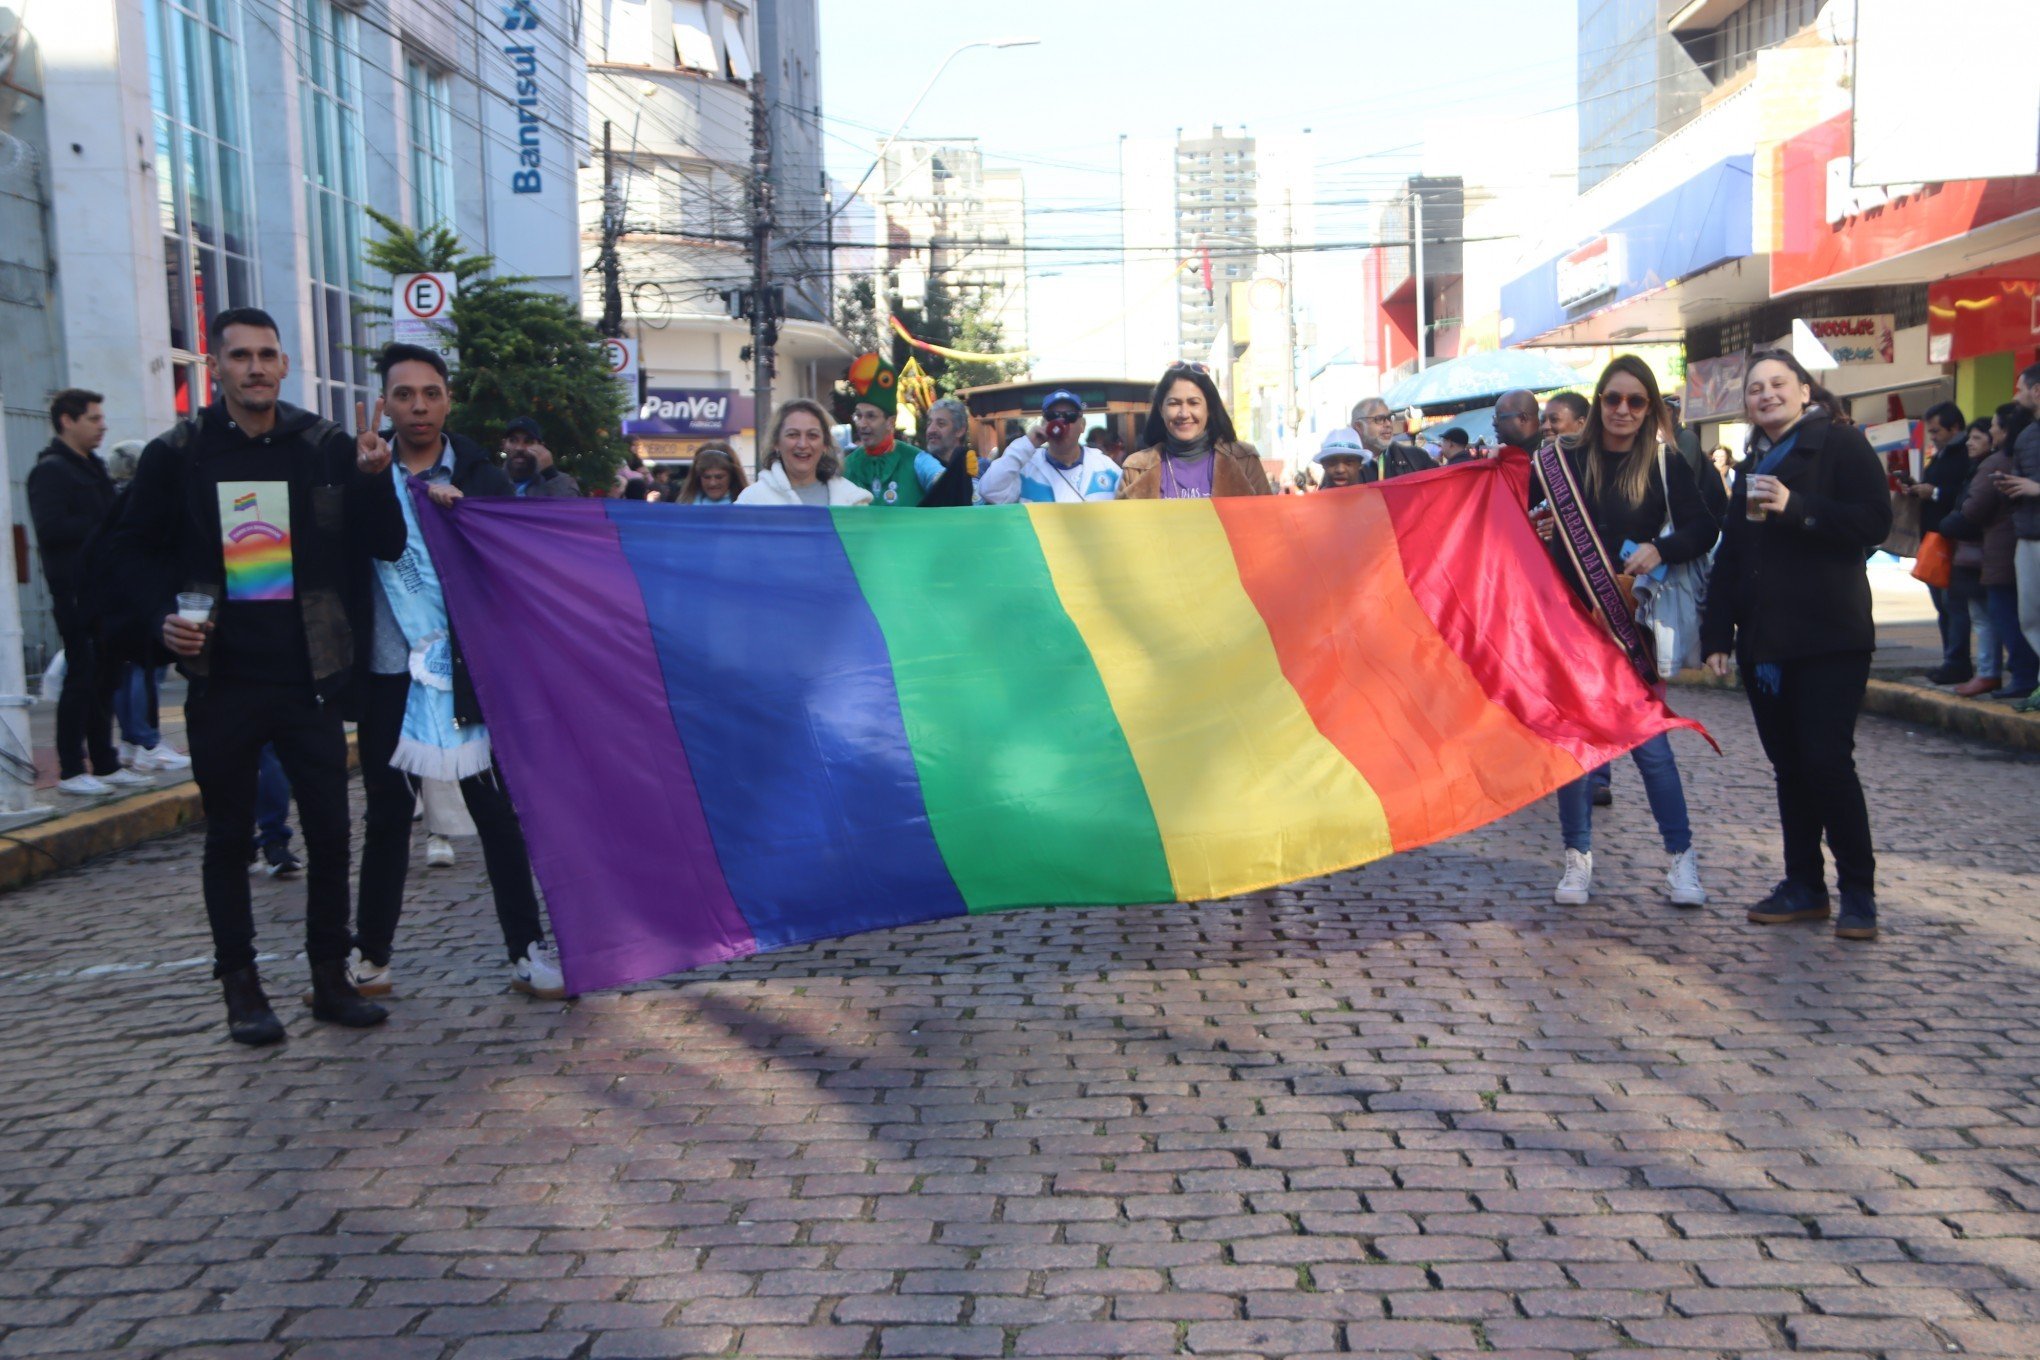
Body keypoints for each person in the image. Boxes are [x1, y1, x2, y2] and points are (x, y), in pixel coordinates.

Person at [113, 307, 404, 1043]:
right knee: (229, 838)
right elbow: (130, 555)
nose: (255, 368)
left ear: (284, 365)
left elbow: (386, 544)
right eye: (239, 355)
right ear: (216, 367)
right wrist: (159, 621)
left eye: (267, 355)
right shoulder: (177, 453)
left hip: (311, 673)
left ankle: (329, 980)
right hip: (222, 676)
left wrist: (376, 479)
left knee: (333, 833)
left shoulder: (327, 445)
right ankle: (240, 988)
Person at [349, 343, 565, 1003]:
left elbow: (513, 565)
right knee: (388, 812)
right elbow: (353, 547)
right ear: (384, 401)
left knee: (494, 810)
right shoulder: (358, 464)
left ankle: (525, 950)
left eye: (431, 393)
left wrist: (462, 515)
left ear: (448, 399)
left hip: (466, 670)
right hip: (388, 668)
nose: (418, 406)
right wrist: (368, 483)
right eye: (404, 394)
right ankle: (370, 958)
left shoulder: (481, 473)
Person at [1702, 349, 1892, 942]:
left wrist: (1798, 507)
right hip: (1767, 642)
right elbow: (1732, 553)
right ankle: (1803, 885)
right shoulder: (1752, 463)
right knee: (1790, 768)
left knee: (1827, 762)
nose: (1766, 395)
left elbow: (1873, 524)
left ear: (1805, 391)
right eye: (1755, 388)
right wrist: (1718, 634)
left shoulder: (1841, 445)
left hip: (1829, 636)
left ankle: (1857, 892)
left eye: (1778, 384)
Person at [1532, 355, 1715, 911]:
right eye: (1613, 398)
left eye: (1637, 401)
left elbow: (1707, 526)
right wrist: (1540, 527)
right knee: (1578, 751)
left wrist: (1664, 547)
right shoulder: (1563, 460)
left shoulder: (1665, 461)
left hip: (1630, 624)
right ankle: (1577, 860)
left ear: (1650, 407)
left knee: (1652, 750)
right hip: (1572, 623)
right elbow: (1529, 523)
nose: (1623, 410)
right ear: (1598, 402)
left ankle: (1681, 860)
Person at [29, 390, 153, 796]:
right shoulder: (51, 471)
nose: (102, 426)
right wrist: (104, 527)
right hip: (75, 592)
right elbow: (51, 530)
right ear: (67, 420)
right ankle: (70, 768)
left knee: (107, 677)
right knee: (81, 678)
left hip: (107, 591)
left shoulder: (95, 468)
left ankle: (105, 761)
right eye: (93, 418)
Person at [1941, 403, 2036, 701]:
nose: (1989, 432)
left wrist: (1945, 523)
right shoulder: (2002, 460)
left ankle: (2016, 676)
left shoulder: (1997, 463)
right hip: (2008, 547)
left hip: (1998, 551)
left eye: (1992, 427)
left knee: (2000, 615)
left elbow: (1974, 509)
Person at [1117, 363, 1273, 499]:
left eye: (1193, 403)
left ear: (1209, 408)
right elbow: (1122, 530)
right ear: (1161, 409)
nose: (1184, 413)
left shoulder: (1244, 460)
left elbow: (1269, 524)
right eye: (1174, 403)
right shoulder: (1136, 468)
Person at [1908, 402, 1974, 684]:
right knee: (1944, 606)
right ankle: (1951, 659)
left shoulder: (1964, 455)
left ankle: (1957, 661)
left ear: (1954, 428)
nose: (1932, 436)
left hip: (1952, 539)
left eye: (1936, 431)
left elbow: (1964, 494)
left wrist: (1934, 493)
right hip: (1935, 538)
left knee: (1953, 605)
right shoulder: (1943, 454)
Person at [980, 389, 1123, 503]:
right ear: (1044, 424)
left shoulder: (1104, 466)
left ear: (1082, 425)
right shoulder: (1027, 467)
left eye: (1070, 416)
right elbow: (989, 491)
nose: (1061, 422)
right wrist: (1027, 443)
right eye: (1052, 416)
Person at [840, 352, 943, 506]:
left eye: (871, 416)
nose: (862, 424)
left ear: (890, 422)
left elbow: (943, 481)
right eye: (859, 416)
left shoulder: (917, 460)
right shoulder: (847, 466)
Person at [737, 399, 875, 507]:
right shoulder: (752, 501)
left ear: (825, 445)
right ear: (776, 443)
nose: (803, 444)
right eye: (793, 435)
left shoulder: (853, 500)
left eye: (812, 435)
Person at [2002, 363, 2040, 712]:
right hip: (2027, 537)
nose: (2016, 395)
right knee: (2030, 615)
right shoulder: (2027, 436)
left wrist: (2035, 488)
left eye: (2020, 388)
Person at [1351, 396, 1434, 482]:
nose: (1388, 424)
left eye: (1389, 417)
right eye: (1379, 419)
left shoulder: (1417, 458)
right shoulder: (1342, 467)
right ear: (1359, 426)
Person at [501, 418, 580, 498]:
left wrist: (549, 473)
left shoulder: (562, 481)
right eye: (513, 440)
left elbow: (570, 507)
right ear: (504, 445)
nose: (519, 448)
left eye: (528, 441)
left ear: (541, 447)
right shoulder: (492, 480)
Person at [673, 444, 747, 504]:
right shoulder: (684, 505)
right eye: (706, 477)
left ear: (732, 476)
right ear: (697, 477)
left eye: (719, 477)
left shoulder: (747, 502)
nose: (712, 483)